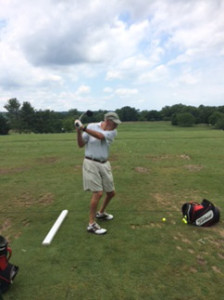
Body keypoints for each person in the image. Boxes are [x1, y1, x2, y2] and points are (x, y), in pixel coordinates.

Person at [75, 112, 121, 235]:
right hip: (91, 162)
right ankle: (91, 224)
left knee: (111, 193)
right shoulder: (91, 126)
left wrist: (83, 128)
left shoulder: (112, 132)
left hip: (104, 163)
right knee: (98, 193)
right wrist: (79, 131)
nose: (116, 126)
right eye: (115, 123)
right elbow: (80, 144)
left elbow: (100, 136)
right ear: (108, 121)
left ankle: (100, 213)